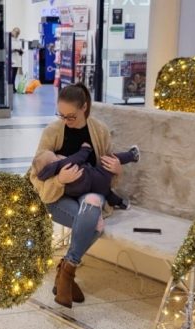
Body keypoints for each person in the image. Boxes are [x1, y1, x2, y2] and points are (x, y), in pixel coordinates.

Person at [28, 82, 124, 308]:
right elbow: (37, 173)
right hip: (57, 196)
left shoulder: (99, 131)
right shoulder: (52, 132)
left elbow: (106, 175)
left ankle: (66, 270)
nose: (65, 120)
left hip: (90, 192)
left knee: (92, 207)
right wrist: (61, 180)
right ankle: (67, 273)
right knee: (95, 224)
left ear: (84, 108)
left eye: (70, 116)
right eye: (60, 115)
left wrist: (118, 170)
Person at [34, 142, 139, 210]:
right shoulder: (62, 164)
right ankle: (132, 155)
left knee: (107, 194)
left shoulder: (48, 175)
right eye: (54, 155)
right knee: (107, 160)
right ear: (53, 161)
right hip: (97, 176)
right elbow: (78, 158)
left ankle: (122, 203)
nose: (58, 156)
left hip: (90, 191)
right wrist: (85, 149)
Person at [11, 27, 24, 93]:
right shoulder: (10, 40)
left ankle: (13, 87)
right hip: (12, 60)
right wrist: (15, 50)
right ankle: (12, 87)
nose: (17, 34)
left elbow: (21, 49)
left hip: (17, 60)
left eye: (18, 33)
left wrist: (21, 51)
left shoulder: (18, 41)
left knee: (14, 75)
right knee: (11, 75)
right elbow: (8, 49)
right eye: (16, 32)